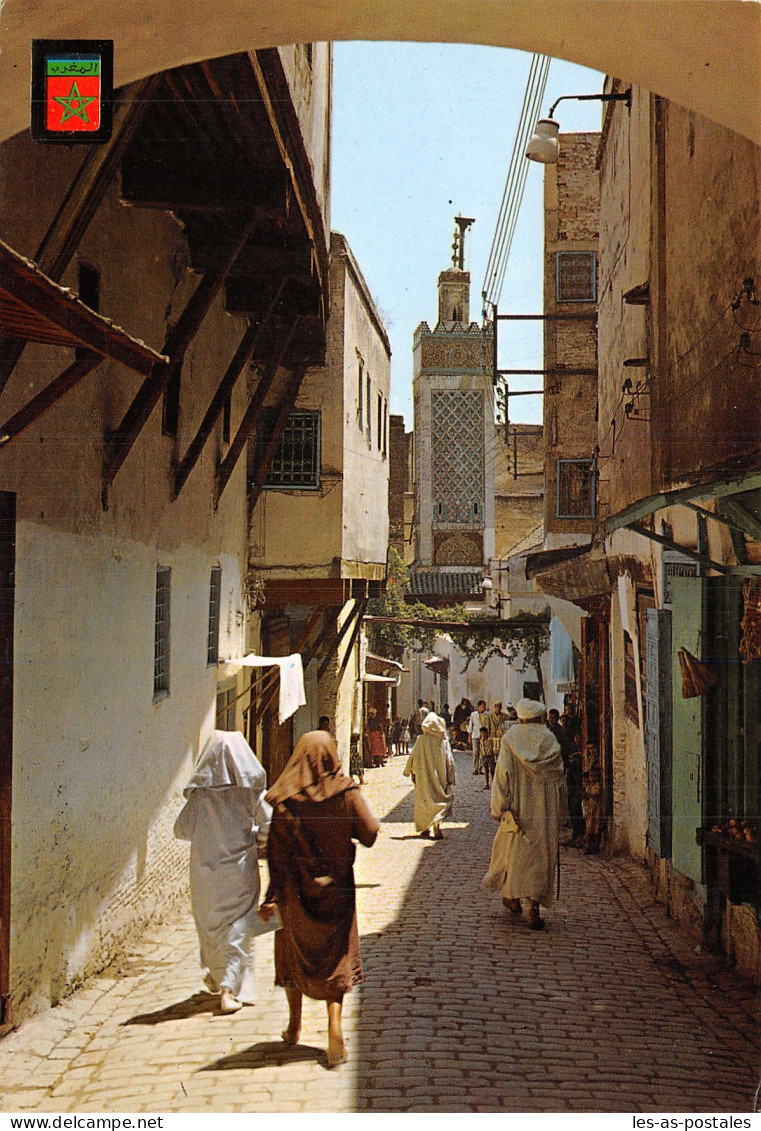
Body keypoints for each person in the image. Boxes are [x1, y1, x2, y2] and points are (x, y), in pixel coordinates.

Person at [259, 731, 379, 1068]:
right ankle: (335, 1030)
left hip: (296, 897)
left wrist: (271, 897)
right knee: (337, 959)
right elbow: (369, 833)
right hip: (338, 896)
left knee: (291, 954)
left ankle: (294, 1024)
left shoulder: (284, 802)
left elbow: (276, 856)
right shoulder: (346, 792)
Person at [174, 730, 272, 1014]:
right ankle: (227, 987)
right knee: (240, 928)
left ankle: (221, 978)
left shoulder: (201, 796)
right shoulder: (250, 792)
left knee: (212, 927)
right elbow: (268, 826)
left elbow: (181, 829)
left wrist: (208, 832)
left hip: (206, 874)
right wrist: (252, 838)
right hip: (240, 871)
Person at [482, 699, 567, 931]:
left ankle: (513, 896)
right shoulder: (550, 740)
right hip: (544, 812)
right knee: (542, 856)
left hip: (518, 810)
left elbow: (502, 777)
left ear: (520, 717)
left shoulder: (510, 740)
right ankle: (534, 908)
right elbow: (560, 781)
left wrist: (499, 807)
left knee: (516, 854)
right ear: (539, 718)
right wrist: (561, 813)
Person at [403, 711, 455, 840]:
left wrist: (410, 772)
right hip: (440, 777)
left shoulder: (421, 740)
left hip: (423, 777)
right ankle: (436, 825)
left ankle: (425, 827)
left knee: (423, 801)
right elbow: (449, 760)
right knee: (439, 799)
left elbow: (413, 757)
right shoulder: (443, 741)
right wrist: (451, 777)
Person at [468, 699, 488, 774]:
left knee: (482, 752)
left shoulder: (487, 715)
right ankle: (475, 768)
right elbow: (471, 725)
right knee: (475, 752)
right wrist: (469, 736)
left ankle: (480, 768)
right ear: (479, 707)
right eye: (483, 706)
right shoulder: (473, 715)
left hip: (483, 736)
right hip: (475, 735)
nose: (484, 708)